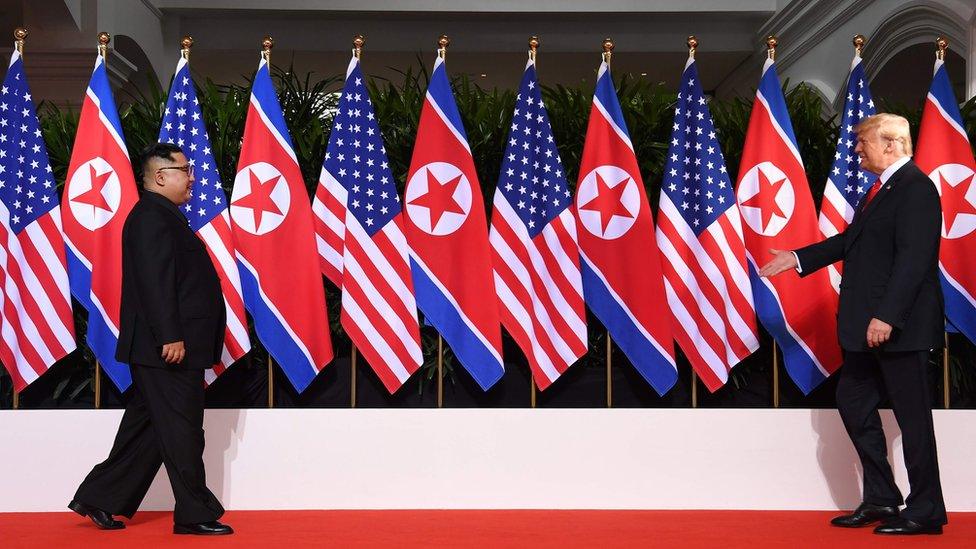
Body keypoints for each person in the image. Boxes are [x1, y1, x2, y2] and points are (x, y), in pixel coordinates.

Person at [760, 113, 946, 535]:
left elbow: (914, 261)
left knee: (913, 419)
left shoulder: (916, 189)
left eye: (863, 142)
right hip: (866, 329)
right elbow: (851, 242)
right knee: (854, 403)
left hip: (898, 329)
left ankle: (927, 510)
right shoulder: (881, 191)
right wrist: (798, 258)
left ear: (891, 144)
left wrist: (887, 316)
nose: (857, 149)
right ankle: (881, 498)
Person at [69, 142, 232, 535]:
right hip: (167, 348)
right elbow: (155, 283)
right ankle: (195, 513)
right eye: (185, 169)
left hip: (166, 347)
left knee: (148, 430)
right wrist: (171, 336)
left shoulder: (163, 216)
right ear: (161, 176)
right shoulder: (151, 218)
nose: (192, 177)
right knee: (183, 431)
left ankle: (99, 497)